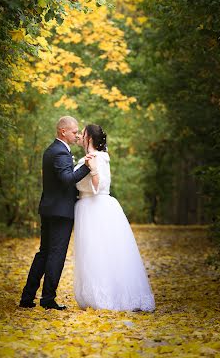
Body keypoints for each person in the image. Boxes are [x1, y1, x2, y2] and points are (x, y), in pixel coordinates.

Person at [73, 124, 155, 312]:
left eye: (82, 134)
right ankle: (97, 293)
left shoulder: (96, 158)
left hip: (94, 207)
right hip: (91, 206)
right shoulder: (97, 156)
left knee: (99, 252)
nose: (80, 136)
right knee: (95, 253)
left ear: (90, 138)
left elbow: (98, 184)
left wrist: (92, 169)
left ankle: (107, 296)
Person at [19, 116, 92, 310]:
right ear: (63, 132)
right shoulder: (60, 152)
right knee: (56, 255)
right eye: (74, 132)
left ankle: (27, 298)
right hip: (61, 212)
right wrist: (86, 167)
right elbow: (67, 179)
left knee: (44, 253)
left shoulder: (51, 150)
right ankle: (48, 299)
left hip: (49, 209)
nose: (77, 135)